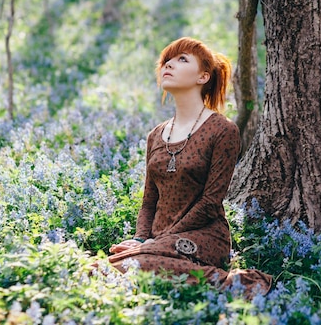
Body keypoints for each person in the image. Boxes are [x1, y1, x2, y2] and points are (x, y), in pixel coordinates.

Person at [105, 37, 272, 297]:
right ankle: (157, 263)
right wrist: (140, 240)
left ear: (203, 77)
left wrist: (154, 243)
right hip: (157, 242)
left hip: (203, 237)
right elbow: (149, 201)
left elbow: (210, 201)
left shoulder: (222, 130)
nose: (169, 65)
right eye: (166, 61)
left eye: (182, 59)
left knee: (130, 264)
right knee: (115, 263)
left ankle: (244, 283)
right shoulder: (155, 135)